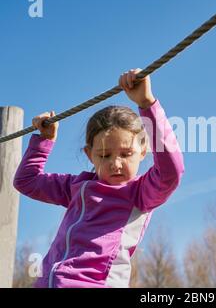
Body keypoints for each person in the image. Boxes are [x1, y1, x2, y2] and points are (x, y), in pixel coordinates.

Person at [13, 68, 184, 288]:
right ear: (89, 155)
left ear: (143, 151)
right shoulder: (75, 187)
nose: (115, 163)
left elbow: (171, 173)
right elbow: (26, 181)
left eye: (125, 154)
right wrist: (44, 141)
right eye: (104, 155)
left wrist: (147, 103)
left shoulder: (140, 194)